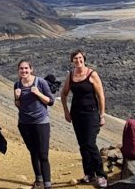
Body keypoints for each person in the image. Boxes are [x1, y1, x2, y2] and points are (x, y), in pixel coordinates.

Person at [61, 49, 108, 188]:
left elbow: (101, 96)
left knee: (90, 143)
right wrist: (66, 111)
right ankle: (89, 173)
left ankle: (101, 175)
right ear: (72, 61)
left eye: (80, 58)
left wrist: (102, 115)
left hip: (91, 113)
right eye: (75, 58)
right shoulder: (71, 75)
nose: (78, 60)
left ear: (84, 59)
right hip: (76, 114)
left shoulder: (92, 74)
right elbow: (63, 94)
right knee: (82, 145)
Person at [14, 60, 55, 189]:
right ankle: (39, 180)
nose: (24, 71)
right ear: (18, 70)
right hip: (25, 123)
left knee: (43, 154)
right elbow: (18, 105)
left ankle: (47, 184)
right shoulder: (17, 84)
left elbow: (51, 101)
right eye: (21, 68)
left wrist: (38, 93)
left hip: (41, 122)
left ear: (31, 69)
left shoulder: (40, 82)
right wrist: (17, 97)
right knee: (33, 152)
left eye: (26, 68)